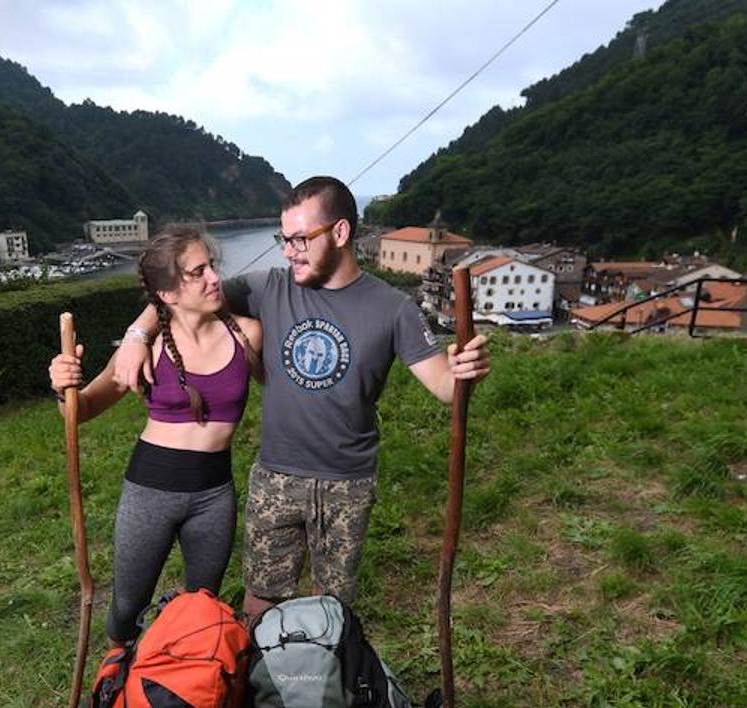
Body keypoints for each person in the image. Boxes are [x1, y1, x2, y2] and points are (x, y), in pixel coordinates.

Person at [112, 177, 490, 620]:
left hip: (348, 482)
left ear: (341, 233)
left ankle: (318, 682)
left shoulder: (394, 308)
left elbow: (446, 387)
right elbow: (179, 296)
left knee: (332, 610)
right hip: (275, 477)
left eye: (298, 239)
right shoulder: (268, 287)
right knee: (259, 603)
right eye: (283, 239)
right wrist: (138, 335)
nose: (287, 250)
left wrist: (467, 371)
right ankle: (262, 684)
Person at [49, 225, 262, 644]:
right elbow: (84, 409)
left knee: (204, 607)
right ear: (167, 293)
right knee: (128, 606)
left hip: (214, 494)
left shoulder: (247, 334)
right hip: (149, 491)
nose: (214, 278)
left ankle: (187, 695)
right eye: (197, 272)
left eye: (211, 266)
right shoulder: (148, 348)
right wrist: (62, 388)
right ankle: (115, 687)